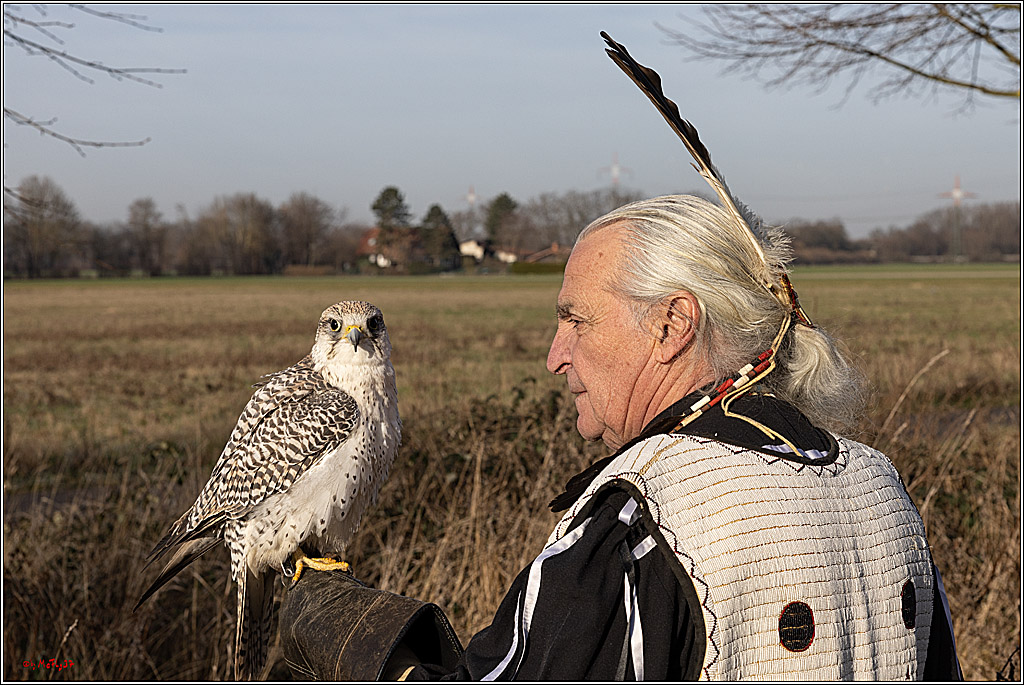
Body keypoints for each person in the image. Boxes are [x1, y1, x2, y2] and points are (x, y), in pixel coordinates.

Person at [278, 194, 962, 681]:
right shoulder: (880, 485)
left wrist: (376, 653)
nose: (555, 354)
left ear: (672, 324)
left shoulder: (643, 517)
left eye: (577, 320)